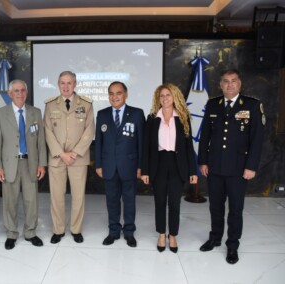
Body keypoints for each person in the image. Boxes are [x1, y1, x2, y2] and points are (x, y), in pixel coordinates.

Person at [198, 69, 265, 264]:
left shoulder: (253, 105)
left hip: (239, 168)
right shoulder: (212, 104)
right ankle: (215, 238)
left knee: (235, 209)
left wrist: (251, 166)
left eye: (233, 81)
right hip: (215, 167)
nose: (229, 85)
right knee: (215, 207)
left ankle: (232, 245)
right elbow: (205, 137)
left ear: (240, 84)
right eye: (225, 81)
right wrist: (203, 161)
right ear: (220, 85)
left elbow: (257, 140)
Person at [140, 83, 197, 253]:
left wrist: (193, 171)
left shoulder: (183, 117)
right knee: (159, 202)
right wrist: (145, 171)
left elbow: (188, 146)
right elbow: (146, 147)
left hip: (178, 164)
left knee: (174, 202)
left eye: (168, 95)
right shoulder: (151, 118)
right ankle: (161, 234)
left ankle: (173, 235)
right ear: (158, 98)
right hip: (158, 164)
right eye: (161, 95)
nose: (164, 98)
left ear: (175, 97)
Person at [0, 79, 47, 250]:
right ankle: (11, 233)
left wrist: (42, 163)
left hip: (30, 162)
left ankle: (30, 232)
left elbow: (41, 141)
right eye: (16, 90)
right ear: (10, 94)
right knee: (10, 200)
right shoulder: (0, 113)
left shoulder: (35, 112)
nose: (20, 93)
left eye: (23, 90)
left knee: (31, 200)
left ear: (27, 92)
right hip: (9, 165)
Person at [44, 71, 95, 244]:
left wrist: (75, 152)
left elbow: (89, 131)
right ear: (58, 85)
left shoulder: (86, 104)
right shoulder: (51, 105)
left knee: (78, 196)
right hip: (57, 158)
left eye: (69, 83)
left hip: (78, 159)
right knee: (56, 196)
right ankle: (58, 230)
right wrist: (61, 153)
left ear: (75, 84)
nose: (65, 86)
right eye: (62, 83)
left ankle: (76, 229)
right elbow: (47, 131)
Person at [95, 81, 145, 248]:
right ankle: (114, 231)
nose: (114, 96)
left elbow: (141, 143)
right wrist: (98, 165)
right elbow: (99, 142)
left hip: (129, 165)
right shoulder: (102, 114)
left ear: (126, 94)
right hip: (109, 166)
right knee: (112, 200)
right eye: (111, 93)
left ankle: (129, 231)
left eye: (118, 93)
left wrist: (140, 166)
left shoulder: (137, 114)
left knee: (129, 200)